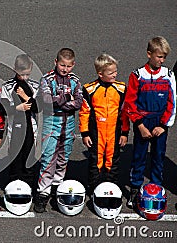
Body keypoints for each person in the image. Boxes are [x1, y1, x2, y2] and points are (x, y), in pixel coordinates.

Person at [124, 36, 176, 208]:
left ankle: (156, 188)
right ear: (149, 54)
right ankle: (134, 188)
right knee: (138, 157)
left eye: (164, 57)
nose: (161, 61)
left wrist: (163, 125)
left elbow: (172, 102)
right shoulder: (137, 75)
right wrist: (139, 125)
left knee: (158, 157)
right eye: (159, 56)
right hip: (143, 121)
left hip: (160, 122)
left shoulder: (168, 75)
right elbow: (130, 103)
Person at [34, 48, 83, 213]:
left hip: (68, 126)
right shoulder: (46, 79)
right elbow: (47, 101)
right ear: (56, 62)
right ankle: (43, 193)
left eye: (69, 66)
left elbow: (79, 102)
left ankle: (57, 190)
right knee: (48, 159)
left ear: (73, 65)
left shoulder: (76, 80)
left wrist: (60, 101)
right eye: (62, 65)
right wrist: (66, 99)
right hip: (51, 125)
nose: (65, 69)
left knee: (63, 159)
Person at [79, 54, 129, 195]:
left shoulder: (121, 88)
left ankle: (111, 188)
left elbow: (124, 113)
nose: (115, 74)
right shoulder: (89, 89)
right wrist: (85, 133)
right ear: (100, 74)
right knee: (96, 160)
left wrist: (125, 133)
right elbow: (84, 113)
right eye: (111, 72)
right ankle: (93, 188)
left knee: (112, 161)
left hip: (114, 132)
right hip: (96, 132)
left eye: (115, 71)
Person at [1, 54, 41, 195]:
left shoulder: (35, 86)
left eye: (27, 74)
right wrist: (17, 108)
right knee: (15, 157)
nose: (24, 77)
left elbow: (38, 107)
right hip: (15, 128)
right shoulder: (7, 87)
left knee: (29, 157)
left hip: (30, 128)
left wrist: (25, 97)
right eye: (21, 74)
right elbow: (2, 108)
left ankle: (28, 186)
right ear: (14, 69)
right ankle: (12, 186)